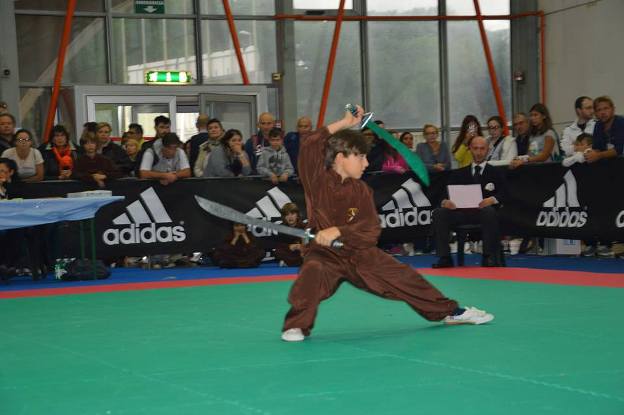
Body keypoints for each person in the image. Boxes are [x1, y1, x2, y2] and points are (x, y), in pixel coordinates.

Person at [280, 106, 494, 343]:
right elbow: (310, 144)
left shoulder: (361, 190)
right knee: (312, 272)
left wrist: (339, 231)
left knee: (405, 277)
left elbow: (370, 231)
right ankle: (296, 325)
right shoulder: (317, 180)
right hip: (324, 254)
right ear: (340, 158)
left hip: (360, 254)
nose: (366, 162)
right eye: (360, 157)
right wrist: (344, 123)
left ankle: (450, 312)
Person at [431, 136, 508, 268]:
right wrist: (445, 202)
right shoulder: (459, 173)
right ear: (470, 149)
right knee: (439, 213)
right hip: (460, 214)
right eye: (475, 148)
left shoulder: (496, 172)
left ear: (487, 150)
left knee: (489, 212)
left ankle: (488, 256)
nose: (478, 152)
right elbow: (444, 194)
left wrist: (492, 199)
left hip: (483, 214)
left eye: (482, 149)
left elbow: (505, 193)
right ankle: (445, 257)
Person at [510, 103, 559, 168]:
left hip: (547, 169)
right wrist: (519, 159)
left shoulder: (549, 133)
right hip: (533, 168)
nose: (532, 118)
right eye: (531, 115)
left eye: (536, 115)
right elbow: (531, 153)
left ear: (544, 116)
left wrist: (524, 160)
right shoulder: (533, 135)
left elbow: (544, 156)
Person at [586, 96, 624, 163]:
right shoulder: (598, 125)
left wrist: (598, 155)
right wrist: (590, 153)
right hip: (608, 161)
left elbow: (619, 150)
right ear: (595, 113)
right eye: (599, 110)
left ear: (613, 109)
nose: (602, 112)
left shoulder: (620, 122)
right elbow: (596, 147)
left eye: (606, 108)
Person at [274, 202, 305, 267]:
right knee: (278, 252)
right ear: (284, 217)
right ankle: (297, 262)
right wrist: (289, 246)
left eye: (292, 214)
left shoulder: (304, 226)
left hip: (301, 252)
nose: (290, 217)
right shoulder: (281, 227)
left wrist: (301, 246)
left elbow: (310, 243)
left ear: (297, 215)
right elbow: (279, 244)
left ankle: (289, 263)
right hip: (289, 252)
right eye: (287, 215)